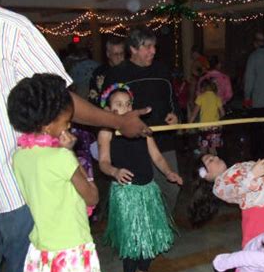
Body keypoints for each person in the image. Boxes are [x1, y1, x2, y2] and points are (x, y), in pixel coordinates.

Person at [0, 0, 149, 272]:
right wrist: (116, 123)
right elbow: (90, 195)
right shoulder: (9, 28)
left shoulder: (22, 159)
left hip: (27, 221)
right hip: (30, 215)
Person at [7, 74, 112, 272]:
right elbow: (92, 197)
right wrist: (69, 153)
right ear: (46, 124)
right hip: (72, 249)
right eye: (65, 123)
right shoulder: (61, 159)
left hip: (43, 249)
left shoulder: (19, 157)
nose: (68, 128)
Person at [98, 83, 183, 272]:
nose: (124, 108)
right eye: (118, 104)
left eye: (127, 104)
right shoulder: (107, 131)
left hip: (148, 189)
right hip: (126, 194)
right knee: (133, 243)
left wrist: (169, 172)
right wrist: (115, 171)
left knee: (152, 238)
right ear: (108, 109)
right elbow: (104, 162)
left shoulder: (141, 127)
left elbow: (156, 155)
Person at [103, 26, 182, 214]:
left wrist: (176, 114)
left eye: (154, 46)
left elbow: (173, 100)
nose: (153, 51)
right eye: (147, 47)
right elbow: (106, 109)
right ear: (133, 49)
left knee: (172, 188)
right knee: (140, 191)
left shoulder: (162, 70)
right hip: (133, 142)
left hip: (163, 141)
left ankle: (160, 222)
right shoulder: (117, 74)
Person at [189, 78, 225, 155]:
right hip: (215, 128)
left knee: (203, 151)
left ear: (202, 88)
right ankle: (216, 165)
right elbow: (223, 113)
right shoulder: (217, 98)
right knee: (213, 150)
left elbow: (194, 113)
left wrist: (189, 124)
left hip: (204, 128)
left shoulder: (201, 97)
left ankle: (205, 165)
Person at [89, 36, 126, 105]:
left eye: (122, 53)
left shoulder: (129, 70)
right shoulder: (99, 73)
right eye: (116, 54)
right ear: (108, 54)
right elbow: (93, 99)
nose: (120, 57)